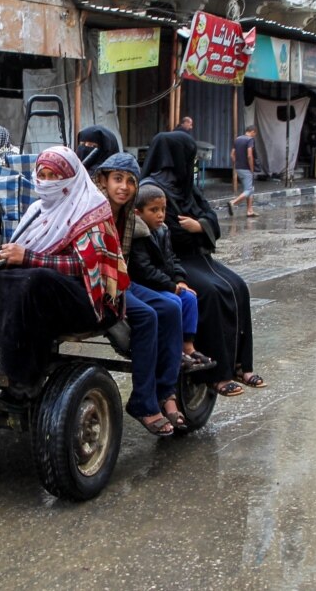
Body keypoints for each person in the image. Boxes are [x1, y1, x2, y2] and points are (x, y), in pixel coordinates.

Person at [0, 146, 128, 401]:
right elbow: (21, 248)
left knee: (35, 280)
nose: (47, 183)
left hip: (88, 301)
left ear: (71, 177)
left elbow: (87, 267)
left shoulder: (91, 210)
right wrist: (1, 258)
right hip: (42, 290)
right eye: (43, 175)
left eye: (55, 176)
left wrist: (29, 258)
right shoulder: (38, 209)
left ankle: (22, 376)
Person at [141, 131, 265, 397]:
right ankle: (216, 375)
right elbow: (168, 229)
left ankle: (241, 365)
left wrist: (200, 225)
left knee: (238, 286)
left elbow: (210, 217)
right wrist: (195, 227)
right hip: (172, 260)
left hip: (199, 257)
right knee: (208, 292)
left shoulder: (186, 186)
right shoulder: (152, 188)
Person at [92, 152, 185, 435]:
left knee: (172, 308)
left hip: (121, 280)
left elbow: (126, 259)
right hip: (99, 283)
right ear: (104, 181)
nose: (123, 187)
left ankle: (166, 392)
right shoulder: (95, 209)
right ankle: (143, 402)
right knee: (147, 316)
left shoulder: (129, 215)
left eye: (130, 181)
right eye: (117, 179)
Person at [133, 183, 215, 370]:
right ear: (138, 213)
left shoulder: (163, 230)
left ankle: (188, 346)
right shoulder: (138, 235)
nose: (160, 214)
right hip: (146, 285)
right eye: (153, 210)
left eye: (163, 209)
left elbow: (172, 259)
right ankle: (173, 349)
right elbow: (144, 270)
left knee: (189, 298)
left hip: (164, 282)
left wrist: (180, 280)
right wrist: (171, 286)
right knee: (173, 302)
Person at [229, 124, 259, 217]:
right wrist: (251, 168)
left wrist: (236, 163)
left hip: (238, 168)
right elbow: (250, 155)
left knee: (250, 188)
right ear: (252, 131)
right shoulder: (250, 140)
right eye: (255, 134)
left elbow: (232, 154)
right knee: (248, 190)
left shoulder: (237, 139)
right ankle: (233, 202)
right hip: (246, 168)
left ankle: (249, 211)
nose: (255, 136)